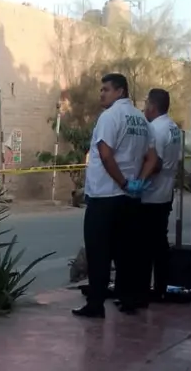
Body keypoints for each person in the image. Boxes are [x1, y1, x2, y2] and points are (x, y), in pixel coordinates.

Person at [73, 73, 150, 318]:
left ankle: (95, 305)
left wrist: (124, 182)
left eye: (106, 89)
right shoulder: (140, 118)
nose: (101, 94)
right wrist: (139, 183)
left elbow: (106, 155)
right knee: (125, 252)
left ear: (120, 91)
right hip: (129, 200)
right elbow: (152, 157)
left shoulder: (110, 117)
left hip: (106, 196)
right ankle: (127, 299)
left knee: (99, 252)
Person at [137, 88, 182, 304]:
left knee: (145, 247)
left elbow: (156, 163)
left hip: (151, 196)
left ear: (153, 106)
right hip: (165, 194)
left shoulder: (155, 129)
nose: (144, 107)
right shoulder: (173, 127)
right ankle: (160, 288)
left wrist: (138, 176)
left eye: (146, 103)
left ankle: (144, 291)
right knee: (159, 245)